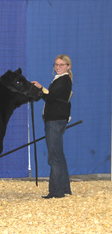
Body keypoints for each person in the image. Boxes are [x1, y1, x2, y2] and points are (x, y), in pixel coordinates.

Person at [31, 55, 73, 199]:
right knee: (59, 154)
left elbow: (50, 97)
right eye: (56, 64)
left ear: (68, 66)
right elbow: (51, 96)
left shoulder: (63, 80)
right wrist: (41, 88)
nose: (58, 67)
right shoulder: (62, 80)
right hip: (56, 120)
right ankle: (64, 188)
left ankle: (56, 191)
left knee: (54, 156)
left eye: (61, 64)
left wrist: (40, 88)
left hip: (55, 121)